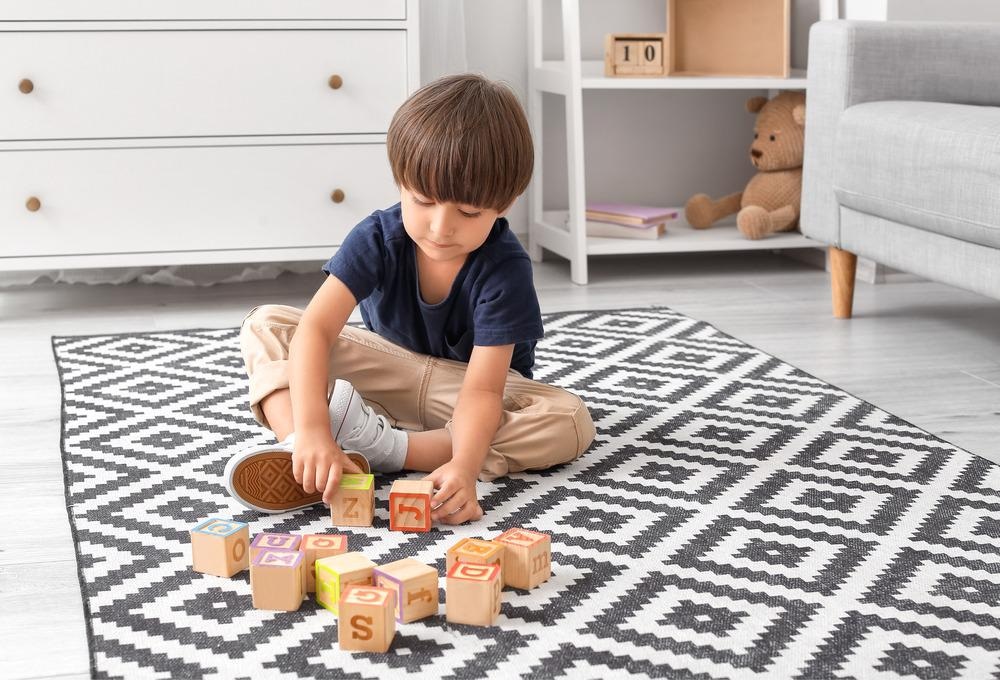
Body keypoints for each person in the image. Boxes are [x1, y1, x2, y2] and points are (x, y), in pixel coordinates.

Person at [224, 73, 596, 525]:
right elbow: (317, 331)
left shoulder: (506, 268)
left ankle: (387, 449)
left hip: (461, 394)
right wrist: (314, 430)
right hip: (387, 373)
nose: (441, 227)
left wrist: (464, 465)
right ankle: (303, 447)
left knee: (568, 419)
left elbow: (482, 390)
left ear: (506, 203)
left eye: (468, 212)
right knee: (268, 325)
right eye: (422, 201)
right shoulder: (377, 238)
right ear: (400, 182)